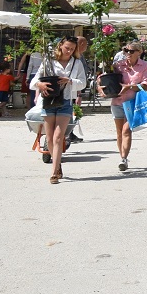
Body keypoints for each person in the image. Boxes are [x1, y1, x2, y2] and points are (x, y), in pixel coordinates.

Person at [33, 38, 85, 184]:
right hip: (48, 100)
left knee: (58, 136)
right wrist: (40, 85)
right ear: (60, 46)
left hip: (66, 101)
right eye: (67, 48)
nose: (69, 51)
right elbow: (35, 80)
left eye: (72, 49)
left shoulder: (76, 63)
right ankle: (58, 163)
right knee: (49, 138)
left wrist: (70, 81)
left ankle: (54, 172)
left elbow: (83, 82)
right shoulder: (49, 62)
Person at [110, 41, 147, 172]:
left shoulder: (144, 65)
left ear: (139, 52)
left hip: (133, 103)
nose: (128, 53)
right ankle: (122, 157)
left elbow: (145, 85)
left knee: (126, 130)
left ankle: (123, 158)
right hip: (117, 101)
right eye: (125, 50)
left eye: (131, 51)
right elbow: (106, 77)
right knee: (119, 133)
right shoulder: (118, 65)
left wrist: (130, 87)